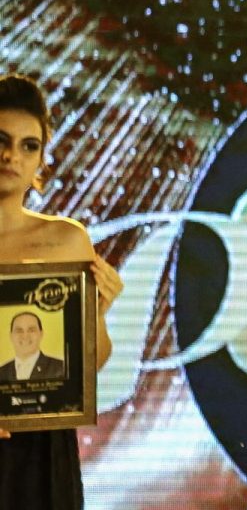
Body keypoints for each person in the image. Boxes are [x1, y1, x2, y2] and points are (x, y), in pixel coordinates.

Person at [0, 74, 125, 510]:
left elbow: (90, 364)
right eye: (1, 140)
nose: (11, 156)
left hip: (42, 448)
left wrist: (98, 313)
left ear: (40, 160)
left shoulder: (67, 240)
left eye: (28, 145)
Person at [0, 311, 66, 382]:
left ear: (41, 334)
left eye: (31, 330)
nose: (25, 336)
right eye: (19, 331)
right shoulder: (1, 372)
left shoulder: (61, 368)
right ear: (11, 336)